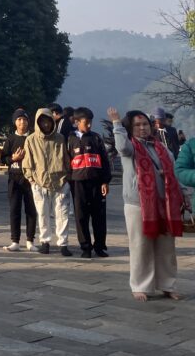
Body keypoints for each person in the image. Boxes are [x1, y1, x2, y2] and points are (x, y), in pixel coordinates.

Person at [109, 107, 184, 301]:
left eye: (145, 124)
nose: (142, 128)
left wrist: (182, 194)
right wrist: (117, 123)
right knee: (141, 246)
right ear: (130, 128)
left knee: (166, 247)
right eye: (137, 125)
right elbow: (121, 147)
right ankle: (140, 286)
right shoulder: (130, 148)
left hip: (164, 203)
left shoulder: (161, 148)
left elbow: (174, 171)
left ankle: (168, 284)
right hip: (137, 204)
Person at [22, 108, 72, 256]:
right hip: (39, 182)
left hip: (60, 181)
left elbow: (66, 158)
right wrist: (31, 180)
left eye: (48, 121)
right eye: (42, 121)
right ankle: (45, 241)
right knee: (42, 214)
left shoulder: (60, 138)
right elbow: (27, 162)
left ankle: (63, 243)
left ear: (52, 122)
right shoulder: (31, 139)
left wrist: (67, 177)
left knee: (62, 214)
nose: (46, 124)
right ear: (37, 123)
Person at [66, 107, 112, 259]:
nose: (89, 125)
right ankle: (85, 247)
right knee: (81, 216)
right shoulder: (69, 139)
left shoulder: (96, 138)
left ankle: (99, 246)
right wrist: (69, 180)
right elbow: (66, 162)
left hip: (96, 183)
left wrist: (105, 181)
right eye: (86, 122)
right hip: (78, 184)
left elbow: (105, 161)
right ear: (76, 122)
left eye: (91, 122)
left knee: (99, 216)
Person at [2, 108, 37, 252]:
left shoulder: (33, 138)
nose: (22, 122)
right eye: (19, 119)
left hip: (30, 179)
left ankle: (30, 240)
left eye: (24, 119)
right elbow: (3, 158)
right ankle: (15, 241)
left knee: (31, 210)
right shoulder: (10, 139)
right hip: (14, 179)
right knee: (14, 210)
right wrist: (13, 158)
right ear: (15, 122)